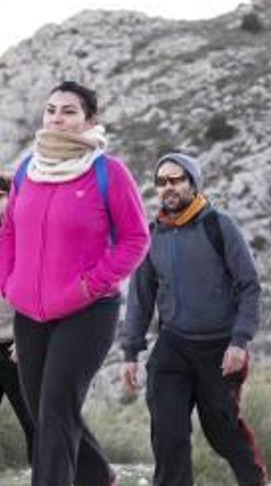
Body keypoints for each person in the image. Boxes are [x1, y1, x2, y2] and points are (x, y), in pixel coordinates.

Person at [0, 81, 150, 486]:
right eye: (51, 110)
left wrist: (91, 285)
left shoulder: (108, 172)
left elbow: (137, 238)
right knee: (46, 409)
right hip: (30, 312)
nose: (57, 117)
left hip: (88, 311)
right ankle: (99, 476)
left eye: (69, 110)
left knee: (53, 411)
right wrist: (7, 281)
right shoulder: (28, 172)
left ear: (90, 120)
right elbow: (9, 229)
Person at [122, 153, 267, 486]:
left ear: (193, 183)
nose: (168, 188)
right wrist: (131, 353)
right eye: (161, 182)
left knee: (223, 432)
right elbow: (140, 299)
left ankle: (255, 480)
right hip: (173, 346)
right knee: (168, 435)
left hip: (220, 349)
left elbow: (250, 287)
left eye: (176, 179)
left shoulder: (219, 225)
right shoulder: (152, 235)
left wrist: (239, 341)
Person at [0, 174, 34, 464]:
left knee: (34, 423)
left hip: (17, 348)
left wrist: (26, 338)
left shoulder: (28, 238)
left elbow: (38, 291)